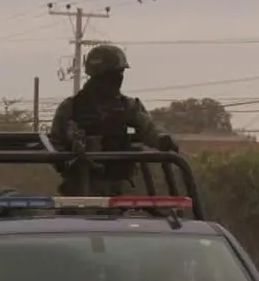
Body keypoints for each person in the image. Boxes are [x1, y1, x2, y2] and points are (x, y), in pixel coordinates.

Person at [50, 43, 179, 196]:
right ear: (99, 76)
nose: (118, 78)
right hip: (81, 186)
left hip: (119, 186)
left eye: (120, 73)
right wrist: (69, 161)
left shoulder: (127, 106)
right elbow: (55, 143)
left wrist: (161, 138)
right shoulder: (71, 107)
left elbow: (147, 127)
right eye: (113, 74)